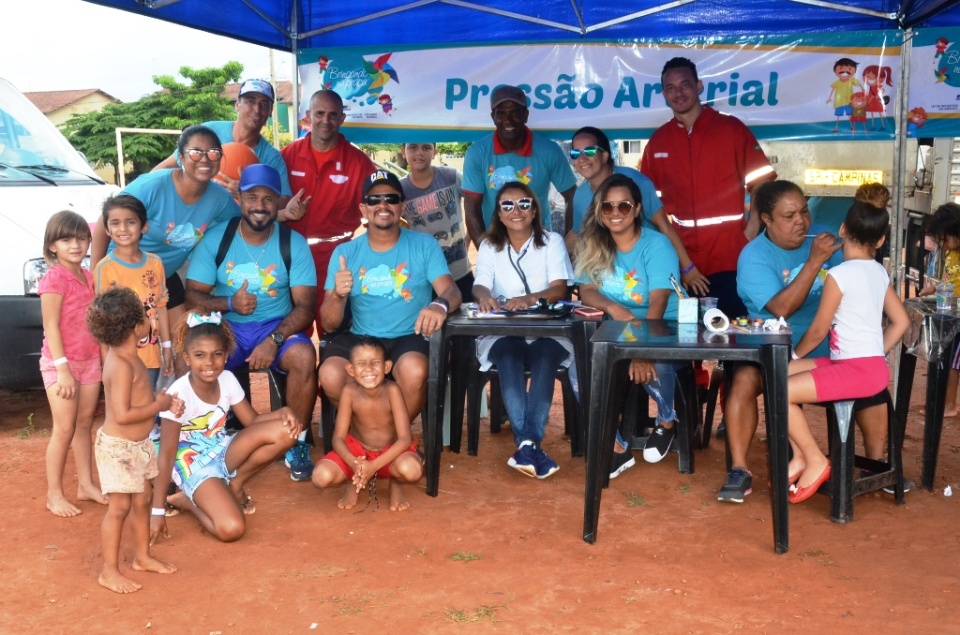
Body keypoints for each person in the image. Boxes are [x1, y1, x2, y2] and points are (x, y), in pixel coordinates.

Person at [720, 180, 860, 503]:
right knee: (744, 380)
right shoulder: (754, 256)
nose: (801, 221)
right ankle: (739, 470)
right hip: (772, 342)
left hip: (825, 339)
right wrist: (813, 263)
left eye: (804, 211)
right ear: (767, 220)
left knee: (862, 374)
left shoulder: (826, 237)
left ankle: (871, 465)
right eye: (789, 216)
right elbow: (782, 308)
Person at [185, 164, 318, 482]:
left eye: (269, 198)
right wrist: (229, 303)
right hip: (227, 326)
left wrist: (273, 340)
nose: (260, 205)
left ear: (278, 203)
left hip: (276, 325)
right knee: (196, 357)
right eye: (252, 196)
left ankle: (295, 441)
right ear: (240, 199)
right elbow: (193, 294)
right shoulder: (218, 238)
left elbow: (305, 306)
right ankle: (206, 437)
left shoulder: (293, 243)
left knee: (303, 356)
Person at [784, 201, 909, 503]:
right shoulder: (878, 271)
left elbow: (817, 332)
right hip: (865, 367)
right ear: (880, 241)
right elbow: (901, 321)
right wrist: (875, 352)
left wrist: (796, 356)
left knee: (780, 389)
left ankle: (814, 459)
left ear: (842, 230)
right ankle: (800, 456)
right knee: (779, 373)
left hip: (857, 371)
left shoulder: (839, 275)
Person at [318, 170, 461, 422]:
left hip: (409, 337)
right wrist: (338, 296)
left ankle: (394, 441)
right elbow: (329, 324)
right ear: (363, 208)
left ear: (402, 206)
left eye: (391, 199)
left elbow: (451, 291)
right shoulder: (345, 252)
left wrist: (439, 305)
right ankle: (366, 436)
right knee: (330, 374)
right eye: (374, 200)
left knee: (415, 371)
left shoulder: (424, 245)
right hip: (361, 336)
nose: (383, 205)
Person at [641, 57, 776, 314]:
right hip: (680, 262)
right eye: (670, 88)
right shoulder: (658, 142)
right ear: (663, 94)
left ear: (699, 86)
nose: (678, 93)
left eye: (685, 84)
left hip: (732, 257)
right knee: (684, 344)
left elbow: (762, 184)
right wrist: (681, 263)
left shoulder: (732, 129)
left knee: (736, 342)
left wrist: (750, 231)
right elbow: (649, 207)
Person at [151, 313, 300, 543]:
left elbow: (251, 421)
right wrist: (157, 510)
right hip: (193, 465)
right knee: (232, 529)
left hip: (222, 449)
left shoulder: (228, 379)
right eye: (200, 355)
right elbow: (168, 455)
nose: (209, 363)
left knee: (286, 430)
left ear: (226, 356)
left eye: (216, 355)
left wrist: (283, 412)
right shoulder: (178, 395)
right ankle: (188, 502)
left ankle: (236, 483)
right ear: (187, 358)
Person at [575, 174, 684, 479]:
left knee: (654, 363)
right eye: (607, 207)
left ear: (637, 209)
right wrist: (612, 307)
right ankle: (617, 448)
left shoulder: (657, 244)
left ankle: (666, 422)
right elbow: (586, 290)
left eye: (623, 206)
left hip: (666, 323)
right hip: (619, 325)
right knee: (579, 368)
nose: (615, 213)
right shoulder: (593, 242)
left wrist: (642, 350)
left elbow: (659, 302)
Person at [91, 125, 240, 343]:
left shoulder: (219, 198)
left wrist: (280, 213)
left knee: (181, 342)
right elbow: (106, 220)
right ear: (180, 157)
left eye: (213, 153)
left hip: (163, 275)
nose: (205, 159)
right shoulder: (151, 186)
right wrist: (96, 277)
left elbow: (241, 225)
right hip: (124, 273)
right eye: (196, 152)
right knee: (133, 345)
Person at [472, 181, 574, 479]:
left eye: (524, 204)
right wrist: (484, 296)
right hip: (505, 329)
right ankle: (530, 445)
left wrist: (528, 300)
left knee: (545, 358)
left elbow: (559, 288)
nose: (516, 211)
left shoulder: (552, 241)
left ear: (534, 210)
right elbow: (480, 283)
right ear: (499, 215)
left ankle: (527, 445)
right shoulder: (490, 245)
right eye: (507, 205)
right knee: (508, 357)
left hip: (546, 328)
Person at [87, 288, 182, 593]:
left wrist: (160, 399)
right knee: (118, 509)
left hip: (138, 447)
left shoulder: (131, 356)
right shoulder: (120, 364)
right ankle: (109, 571)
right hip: (119, 450)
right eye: (145, 315)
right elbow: (123, 414)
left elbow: (139, 399)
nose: (149, 319)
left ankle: (142, 556)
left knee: (141, 500)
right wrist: (159, 406)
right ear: (134, 327)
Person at [281, 89, 377, 330]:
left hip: (336, 257)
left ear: (342, 118)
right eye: (320, 113)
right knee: (293, 330)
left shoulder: (359, 162)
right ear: (307, 116)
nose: (326, 120)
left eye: (333, 115)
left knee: (333, 330)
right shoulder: (285, 156)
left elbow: (376, 214)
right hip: (290, 256)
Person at [39, 211, 107, 517]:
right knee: (64, 428)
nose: (75, 245)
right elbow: (51, 326)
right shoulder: (53, 277)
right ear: (53, 245)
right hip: (60, 364)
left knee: (83, 425)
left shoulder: (90, 276)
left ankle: (86, 485)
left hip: (90, 361)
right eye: (66, 239)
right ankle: (54, 494)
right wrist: (63, 368)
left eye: (81, 238)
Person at [312, 337, 423, 511]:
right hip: (357, 452)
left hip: (390, 452)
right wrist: (354, 463)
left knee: (412, 470)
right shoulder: (349, 392)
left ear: (387, 366)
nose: (369, 369)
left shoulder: (392, 390)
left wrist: (373, 467)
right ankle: (352, 481)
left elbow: (404, 439)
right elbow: (338, 438)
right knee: (320, 476)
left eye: (375, 363)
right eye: (361, 363)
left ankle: (395, 484)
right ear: (350, 369)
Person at [462, 85, 577, 245]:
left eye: (514, 113)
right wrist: (486, 249)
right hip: (497, 245)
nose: (507, 120)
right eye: (501, 114)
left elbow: (573, 196)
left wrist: (570, 238)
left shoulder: (549, 150)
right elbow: (471, 206)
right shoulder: (477, 153)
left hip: (539, 244)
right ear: (493, 117)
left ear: (525, 115)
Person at [567, 126, 690, 269]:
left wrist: (687, 268)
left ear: (605, 156)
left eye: (589, 151)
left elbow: (664, 225)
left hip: (650, 263)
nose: (582, 159)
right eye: (575, 153)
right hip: (613, 271)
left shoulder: (636, 181)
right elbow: (577, 235)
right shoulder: (580, 195)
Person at [152, 79, 293, 199]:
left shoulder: (271, 157)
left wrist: (249, 193)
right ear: (238, 105)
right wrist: (140, 193)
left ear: (270, 111)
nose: (256, 109)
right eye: (250, 101)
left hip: (234, 225)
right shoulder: (209, 131)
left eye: (264, 104)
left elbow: (285, 200)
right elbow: (166, 166)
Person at [93, 194, 174, 394]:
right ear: (107, 230)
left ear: (143, 226)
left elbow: (161, 307)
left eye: (130, 222)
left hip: (151, 356)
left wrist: (167, 347)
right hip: (120, 359)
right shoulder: (105, 268)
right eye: (115, 223)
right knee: (127, 410)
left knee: (148, 405)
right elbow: (102, 320)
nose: (123, 229)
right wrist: (106, 362)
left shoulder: (155, 263)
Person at [400, 142, 474, 301]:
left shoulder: (451, 176)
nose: (419, 153)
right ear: (403, 152)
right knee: (430, 322)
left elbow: (477, 205)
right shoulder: (400, 189)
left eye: (426, 148)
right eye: (413, 147)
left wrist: (468, 239)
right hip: (425, 277)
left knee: (465, 321)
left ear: (435, 152)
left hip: (460, 271)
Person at [919, 203, 960, 417]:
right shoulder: (951, 254)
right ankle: (945, 402)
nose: (943, 245)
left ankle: (950, 405)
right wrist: (933, 288)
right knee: (947, 357)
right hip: (953, 313)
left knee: (953, 362)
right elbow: (948, 279)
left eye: (945, 239)